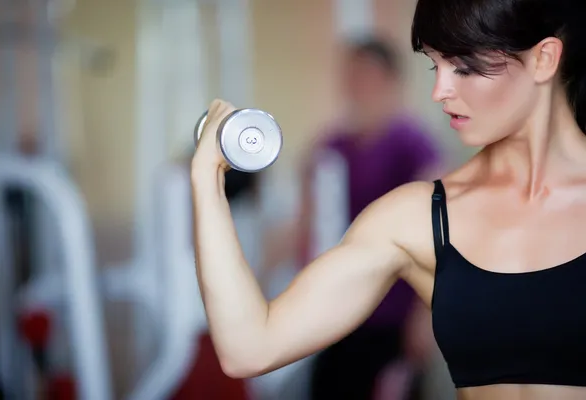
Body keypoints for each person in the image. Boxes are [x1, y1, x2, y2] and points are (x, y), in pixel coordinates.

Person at [190, 0, 586, 399]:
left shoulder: (411, 146)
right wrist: (205, 178)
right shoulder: (413, 218)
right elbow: (249, 349)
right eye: (436, 66)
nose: (439, 91)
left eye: (463, 67)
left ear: (544, 59)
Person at [299, 38, 442, 400]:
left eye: (367, 76)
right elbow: (309, 229)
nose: (357, 86)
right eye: (351, 76)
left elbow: (438, 234)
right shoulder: (331, 147)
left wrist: (424, 319)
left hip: (395, 315)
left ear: (390, 81)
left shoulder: (413, 144)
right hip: (339, 312)